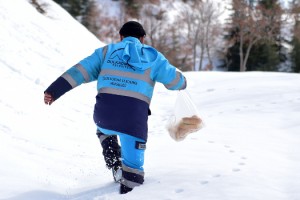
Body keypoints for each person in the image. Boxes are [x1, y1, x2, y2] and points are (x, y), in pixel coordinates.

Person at [44, 21, 188, 194]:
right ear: (142, 39)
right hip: (133, 123)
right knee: (133, 176)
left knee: (104, 129)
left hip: (104, 116)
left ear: (121, 37)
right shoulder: (154, 57)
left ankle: (114, 162)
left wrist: (54, 90)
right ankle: (127, 184)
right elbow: (174, 81)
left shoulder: (106, 52)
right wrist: (183, 83)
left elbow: (79, 71)